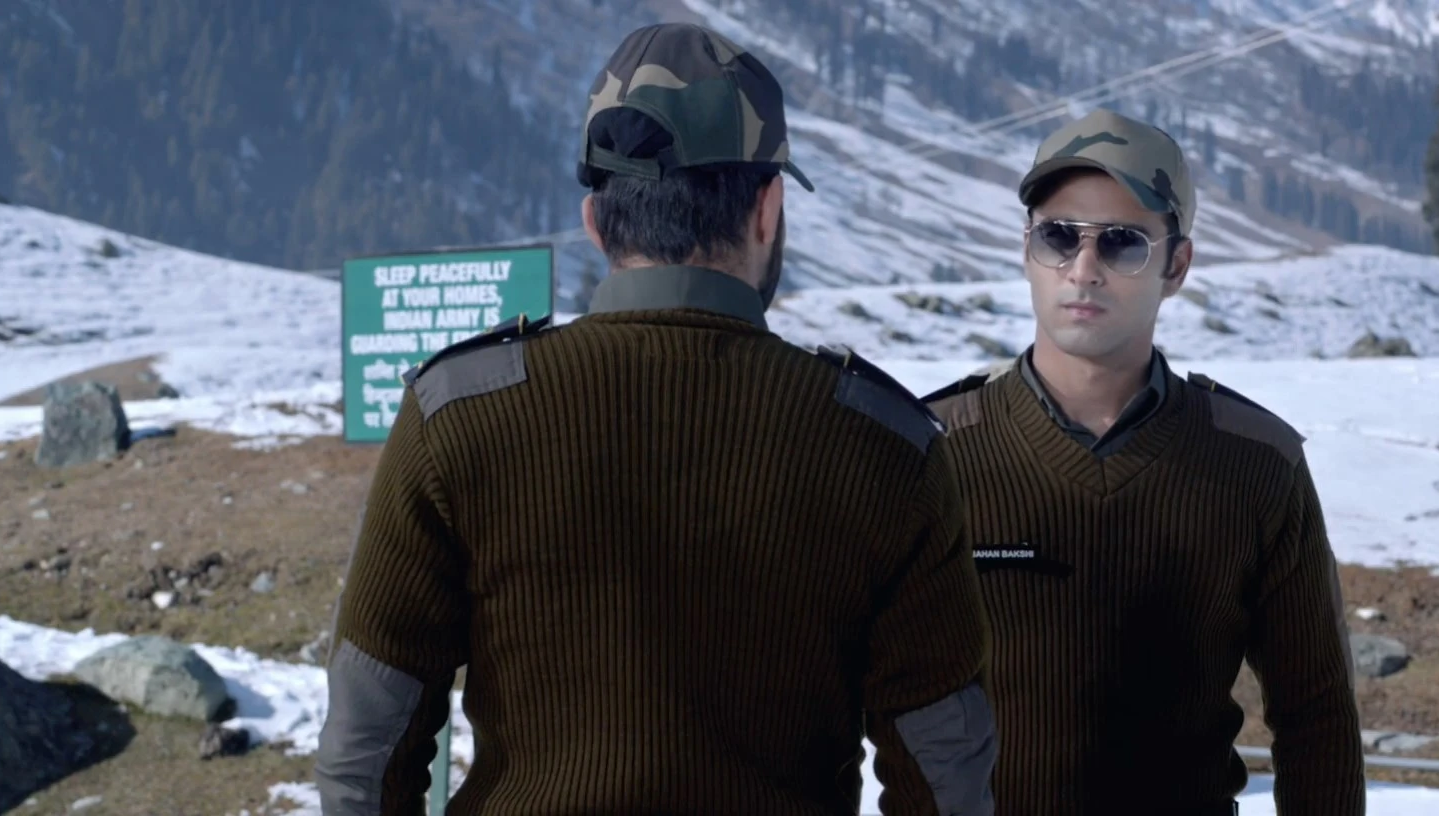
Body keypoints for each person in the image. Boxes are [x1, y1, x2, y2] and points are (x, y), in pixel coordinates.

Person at [313, 22, 996, 816]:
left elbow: (366, 745)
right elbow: (944, 773)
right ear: (767, 210)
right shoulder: (886, 445)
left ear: (595, 221)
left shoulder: (457, 414)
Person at [919, 108, 1366, 815]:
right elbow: (837, 701)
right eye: (1057, 237)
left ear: (1176, 265)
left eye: (1122, 244)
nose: (1083, 270)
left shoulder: (1255, 464)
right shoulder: (929, 451)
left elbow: (1317, 716)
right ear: (1026, 248)